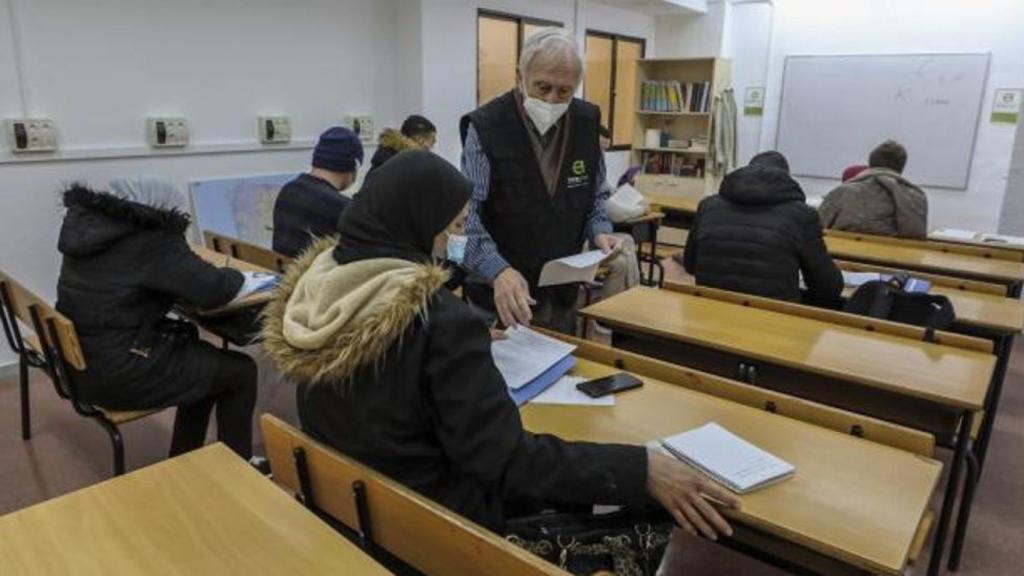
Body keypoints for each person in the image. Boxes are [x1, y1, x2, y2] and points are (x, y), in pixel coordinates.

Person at [262, 151, 738, 541]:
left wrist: (457, 354)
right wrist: (640, 470)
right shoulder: (437, 321)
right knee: (639, 516)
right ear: (417, 222)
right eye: (453, 226)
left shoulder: (322, 290)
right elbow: (506, 461)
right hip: (446, 531)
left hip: (365, 511)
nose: (458, 241)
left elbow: (395, 387)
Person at [56, 178, 257, 459]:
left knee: (204, 363)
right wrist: (237, 275)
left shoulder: (89, 231)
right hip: (116, 373)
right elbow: (214, 289)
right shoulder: (153, 240)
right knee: (240, 371)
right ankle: (239, 467)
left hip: (76, 362)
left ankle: (186, 457)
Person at [460, 28, 628, 334]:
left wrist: (601, 231)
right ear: (519, 77)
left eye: (564, 91)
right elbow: (465, 218)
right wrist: (497, 270)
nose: (552, 99)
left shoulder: (587, 122)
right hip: (498, 295)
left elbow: (595, 197)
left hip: (561, 292)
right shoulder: (486, 127)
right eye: (542, 87)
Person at [682, 151, 843, 305]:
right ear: (785, 177)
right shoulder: (802, 215)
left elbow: (690, 264)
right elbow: (829, 287)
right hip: (772, 319)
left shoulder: (707, 206)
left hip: (709, 311)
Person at [272, 127, 363, 258]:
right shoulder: (343, 208)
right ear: (354, 165)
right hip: (310, 277)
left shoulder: (288, 190)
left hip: (282, 275)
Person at [819, 140, 928, 238]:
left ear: (870, 162)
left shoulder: (843, 192)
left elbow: (816, 227)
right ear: (901, 167)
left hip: (840, 256)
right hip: (897, 259)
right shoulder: (917, 197)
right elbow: (919, 235)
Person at [368, 114, 437, 174]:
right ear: (420, 140)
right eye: (432, 141)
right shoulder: (404, 164)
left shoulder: (387, 155)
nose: (431, 148)